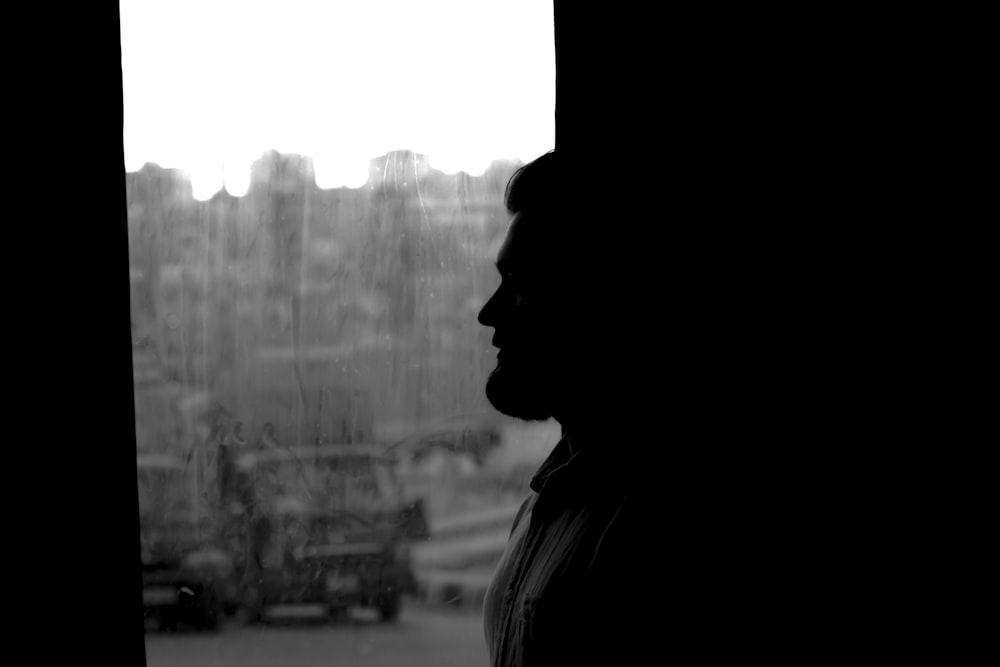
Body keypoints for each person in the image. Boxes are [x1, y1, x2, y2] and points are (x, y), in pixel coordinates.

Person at [477, 150, 656, 666]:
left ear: (597, 298)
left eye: (519, 284)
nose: (489, 313)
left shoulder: (640, 522)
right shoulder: (541, 506)